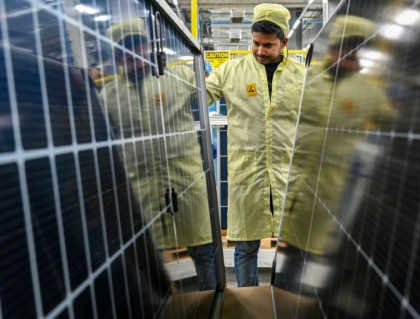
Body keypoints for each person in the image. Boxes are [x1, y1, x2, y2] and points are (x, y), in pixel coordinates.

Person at [277, 15, 397, 309]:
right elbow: (276, 119)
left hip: (337, 194)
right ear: (334, 46)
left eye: (357, 48)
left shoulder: (368, 92)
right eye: (345, 46)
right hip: (297, 191)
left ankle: (311, 305)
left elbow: (398, 123)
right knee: (294, 259)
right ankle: (286, 305)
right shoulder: (304, 79)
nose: (349, 54)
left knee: (325, 260)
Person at [100, 18, 216, 291]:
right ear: (116, 56)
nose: (133, 55)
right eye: (124, 51)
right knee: (144, 256)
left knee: (203, 250)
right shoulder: (109, 95)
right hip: (141, 186)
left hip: (185, 179)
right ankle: (158, 306)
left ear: (147, 47)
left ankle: (213, 301)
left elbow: (213, 93)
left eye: (138, 46)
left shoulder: (181, 77)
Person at [205, 3, 305, 287]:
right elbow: (199, 97)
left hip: (289, 171)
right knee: (246, 246)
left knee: (292, 245)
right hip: (248, 173)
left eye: (268, 45)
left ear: (284, 42)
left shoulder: (302, 75)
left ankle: (287, 301)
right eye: (256, 43)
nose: (260, 50)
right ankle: (248, 302)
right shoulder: (231, 71)